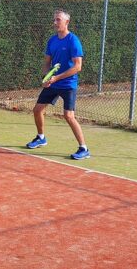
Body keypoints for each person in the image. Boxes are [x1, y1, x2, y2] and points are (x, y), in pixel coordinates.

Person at [26, 10, 90, 160]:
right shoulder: (52, 40)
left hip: (68, 84)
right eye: (54, 20)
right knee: (37, 110)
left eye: (58, 20)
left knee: (68, 116)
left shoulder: (73, 41)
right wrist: (46, 77)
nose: (55, 22)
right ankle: (41, 137)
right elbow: (47, 62)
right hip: (53, 83)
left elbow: (77, 67)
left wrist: (57, 78)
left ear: (67, 22)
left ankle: (84, 148)